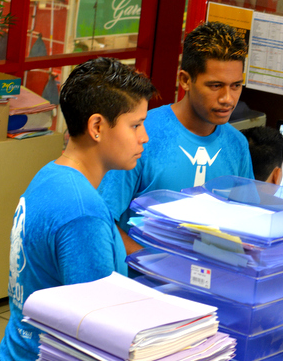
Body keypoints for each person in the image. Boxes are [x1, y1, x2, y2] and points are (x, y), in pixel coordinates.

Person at [0, 58, 156, 361]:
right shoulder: (83, 211)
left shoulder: (50, 174)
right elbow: (94, 334)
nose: (145, 137)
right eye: (135, 125)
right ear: (97, 127)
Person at [99, 21, 254, 254]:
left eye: (235, 86)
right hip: (143, 285)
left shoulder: (237, 145)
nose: (228, 98)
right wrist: (157, 267)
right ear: (185, 80)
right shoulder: (141, 134)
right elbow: (102, 221)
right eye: (215, 86)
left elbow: (247, 227)